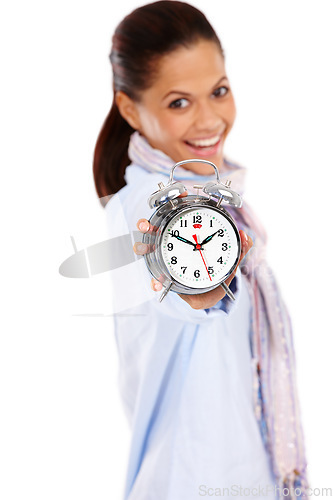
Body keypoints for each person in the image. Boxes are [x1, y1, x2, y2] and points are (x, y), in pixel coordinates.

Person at [93, 2, 309, 499]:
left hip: (245, 469)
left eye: (218, 91)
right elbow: (183, 290)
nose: (210, 118)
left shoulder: (216, 194)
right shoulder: (144, 205)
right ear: (130, 110)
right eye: (178, 102)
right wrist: (201, 285)